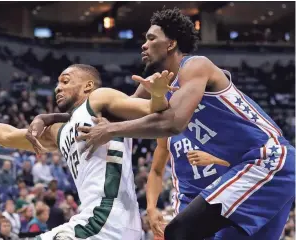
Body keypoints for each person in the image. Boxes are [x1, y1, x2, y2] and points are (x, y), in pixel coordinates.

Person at [75, 7, 295, 240]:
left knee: (180, 232)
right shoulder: (151, 86)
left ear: (170, 44)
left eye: (151, 38)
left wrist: (110, 130)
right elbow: (117, 114)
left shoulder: (196, 66)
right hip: (250, 169)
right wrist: (51, 119)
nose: (144, 45)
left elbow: (173, 122)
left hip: (269, 160)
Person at [0, 63, 175, 239]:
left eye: (66, 80)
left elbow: (153, 111)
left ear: (88, 85)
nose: (58, 87)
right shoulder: (59, 130)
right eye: (58, 82)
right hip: (104, 221)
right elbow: (7, 136)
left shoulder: (100, 99)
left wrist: (156, 94)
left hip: (107, 219)